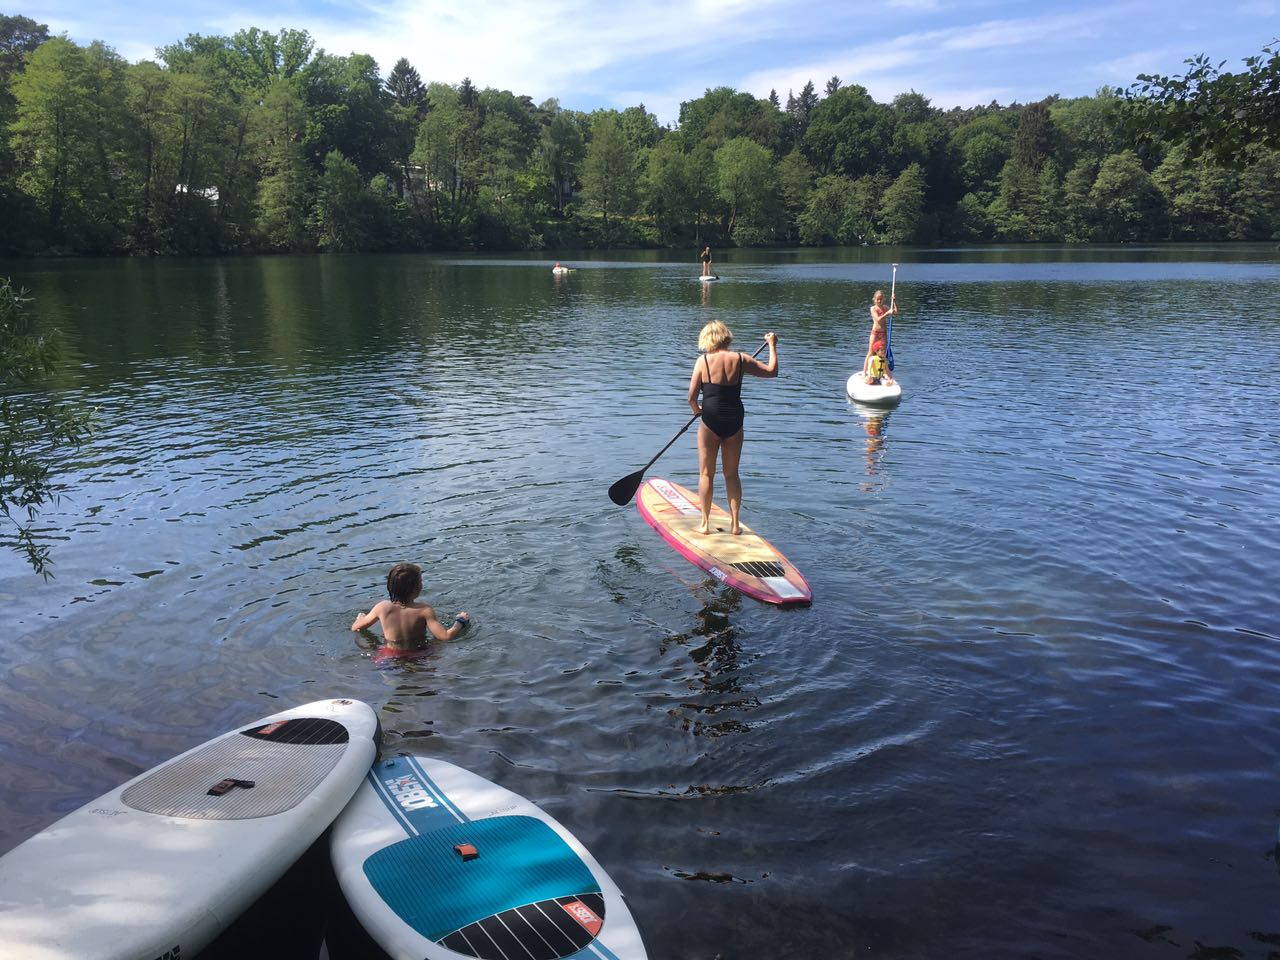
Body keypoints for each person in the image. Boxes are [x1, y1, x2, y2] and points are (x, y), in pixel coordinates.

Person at [687, 321, 778, 535]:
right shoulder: (741, 359)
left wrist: (696, 410)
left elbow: (691, 397)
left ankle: (704, 524)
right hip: (735, 420)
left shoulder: (703, 361)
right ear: (725, 337)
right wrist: (772, 345)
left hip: (710, 420)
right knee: (731, 474)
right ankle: (736, 525)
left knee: (706, 474)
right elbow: (772, 371)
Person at [351, 562, 469, 651]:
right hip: (420, 654)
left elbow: (356, 628)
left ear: (390, 587)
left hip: (389, 656)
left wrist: (360, 619)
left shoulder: (382, 607)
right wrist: (460, 622)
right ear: (417, 588)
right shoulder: (424, 610)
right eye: (421, 582)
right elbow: (445, 637)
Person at [862, 289, 897, 385]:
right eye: (877, 299)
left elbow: (895, 312)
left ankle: (884, 373)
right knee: (870, 353)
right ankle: (865, 373)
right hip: (875, 332)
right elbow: (877, 319)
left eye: (881, 299)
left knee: (883, 354)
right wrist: (887, 313)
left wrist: (894, 301)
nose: (879, 301)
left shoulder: (885, 307)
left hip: (883, 333)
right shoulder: (873, 308)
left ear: (883, 299)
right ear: (874, 299)